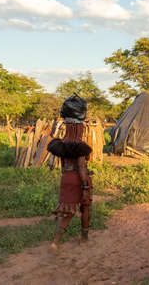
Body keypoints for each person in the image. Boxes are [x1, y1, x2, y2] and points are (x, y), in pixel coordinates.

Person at [47, 95, 93, 253]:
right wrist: (85, 186)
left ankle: (56, 240)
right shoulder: (79, 146)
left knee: (66, 210)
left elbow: (62, 166)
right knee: (84, 207)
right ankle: (84, 238)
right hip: (78, 179)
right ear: (80, 127)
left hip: (65, 178)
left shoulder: (60, 144)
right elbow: (81, 167)